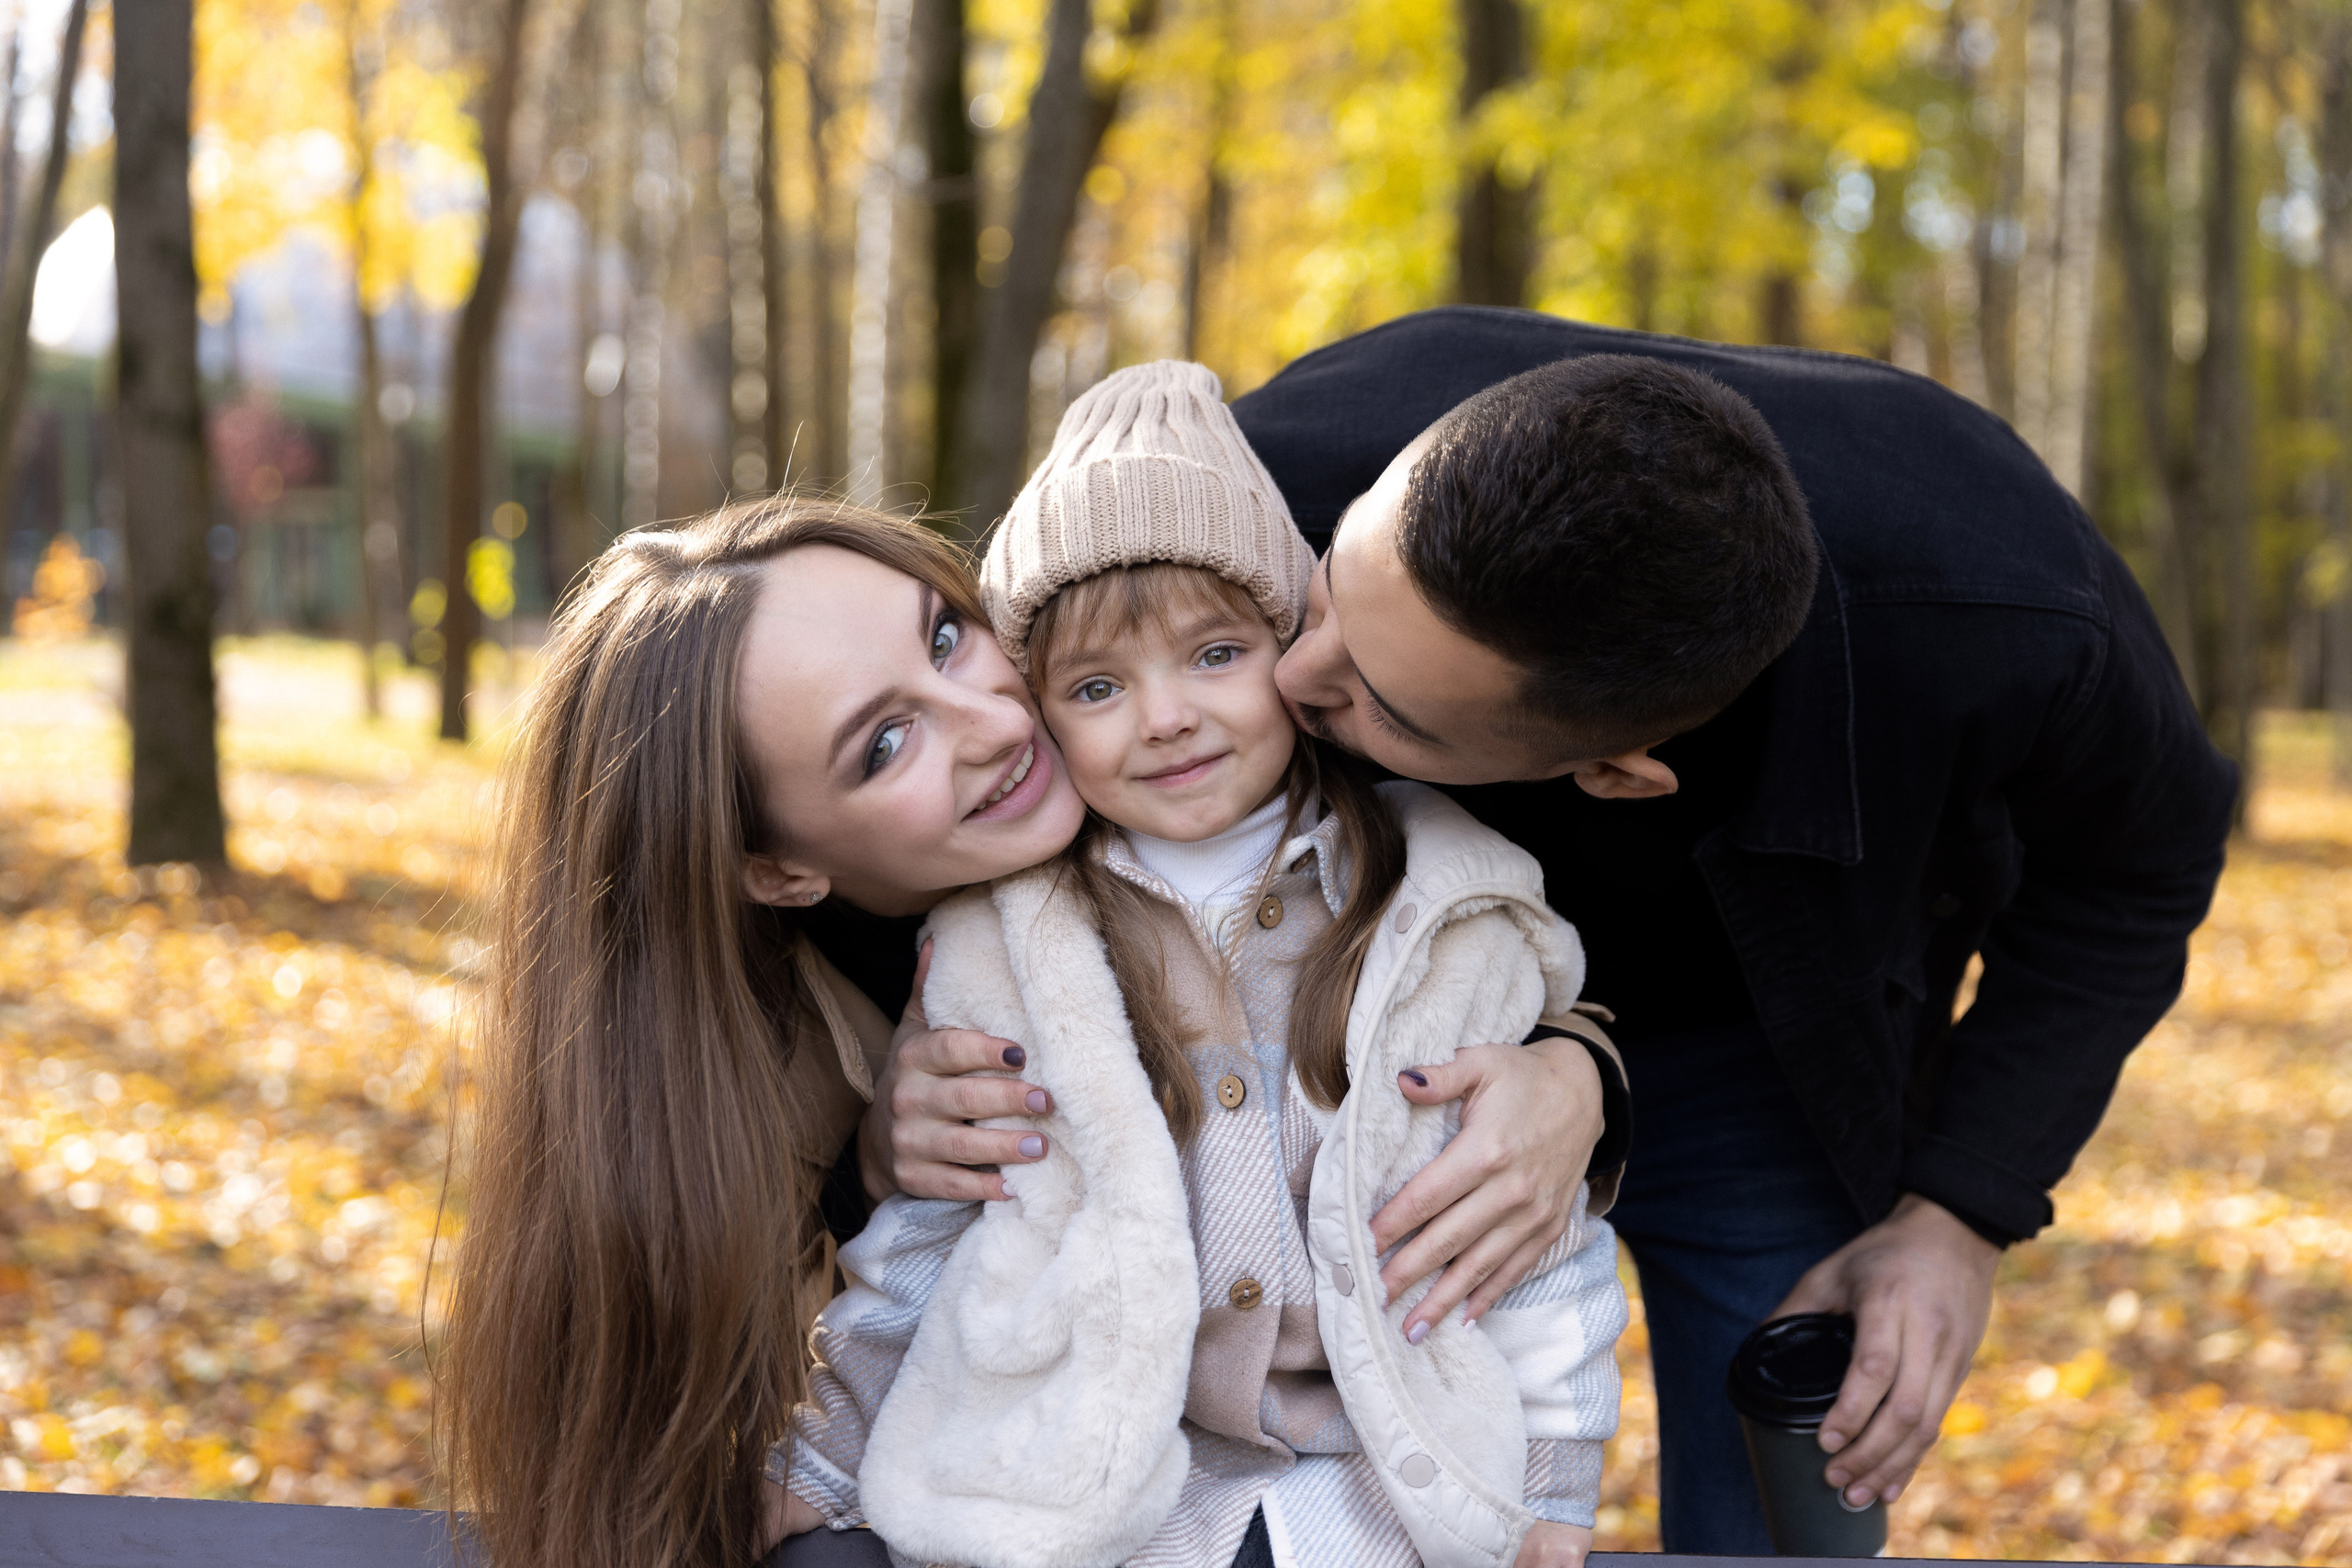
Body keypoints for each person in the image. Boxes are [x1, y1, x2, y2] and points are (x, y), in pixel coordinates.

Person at [437, 493, 1615, 1568]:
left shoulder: (1199, 590)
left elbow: (1568, 910)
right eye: (884, 745)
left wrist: (1580, 1065)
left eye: (947, 635)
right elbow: (908, 1273)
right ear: (778, 869)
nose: (999, 722)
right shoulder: (901, 984)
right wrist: (867, 1170)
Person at [1230, 309, 2237, 1552]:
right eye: (1327, 585)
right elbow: (1015, 732)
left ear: (1615, 775)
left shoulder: (2015, 614)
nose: (1289, 675)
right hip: (1372, 1042)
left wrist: (1958, 1216)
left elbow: (2135, 878)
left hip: (1762, 1055)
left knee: (1781, 1518)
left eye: (1377, 706)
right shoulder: (1271, 468)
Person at [772, 362, 1627, 1568]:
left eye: (1215, 654)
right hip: (1104, 1492)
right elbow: (928, 1239)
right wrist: (816, 1461)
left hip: (1383, 1490)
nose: (1165, 716)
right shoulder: (1005, 946)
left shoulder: (1441, 911)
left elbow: (1532, 1238)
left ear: (1293, 648)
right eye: (1098, 686)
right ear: (1040, 712)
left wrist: (1553, 1488)